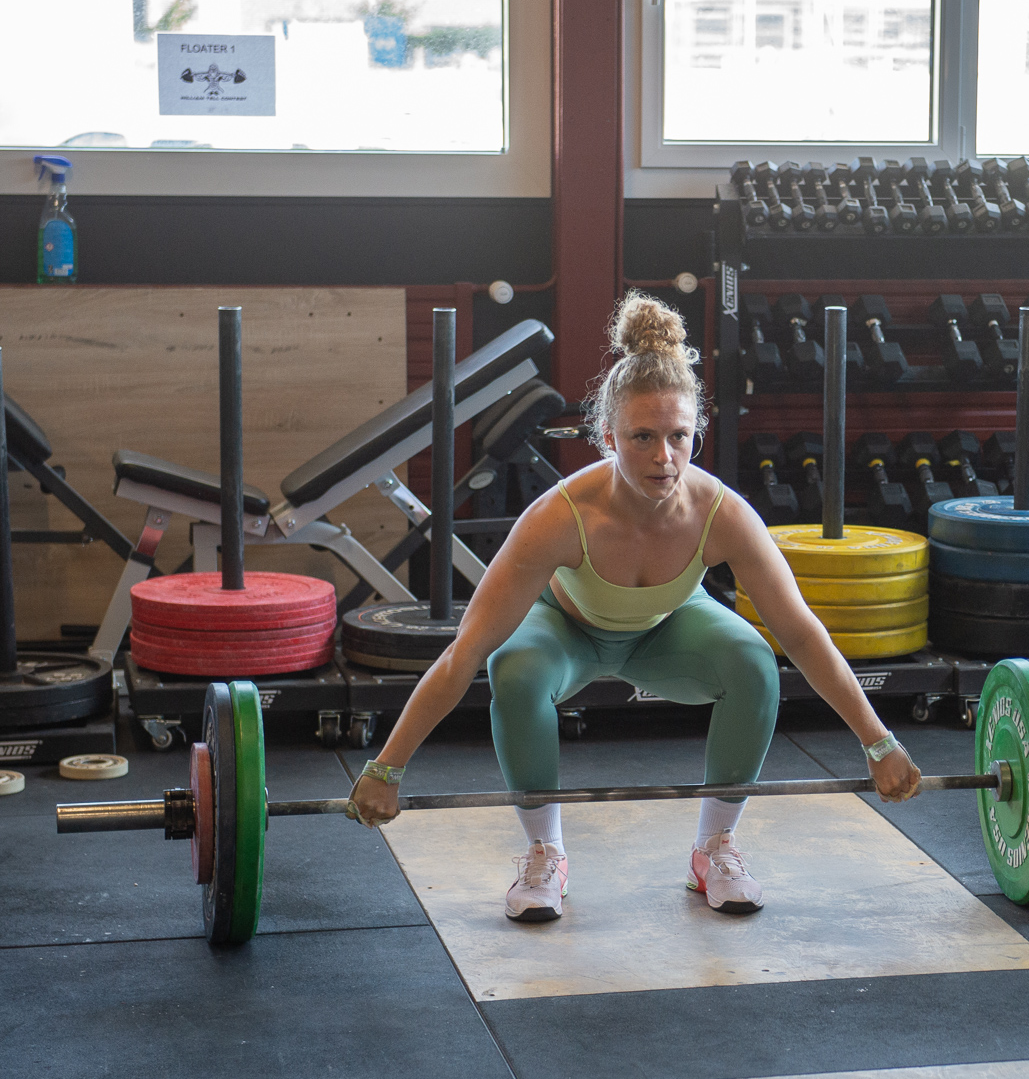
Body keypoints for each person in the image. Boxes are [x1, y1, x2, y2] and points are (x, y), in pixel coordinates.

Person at [344, 292, 922, 920]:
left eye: (679, 436)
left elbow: (803, 635)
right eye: (642, 436)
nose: (663, 457)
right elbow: (464, 654)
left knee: (755, 660)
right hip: (566, 631)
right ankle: (545, 854)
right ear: (606, 435)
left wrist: (878, 742)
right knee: (511, 668)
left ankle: (715, 849)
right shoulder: (559, 518)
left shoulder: (723, 514)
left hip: (668, 630)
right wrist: (386, 766)